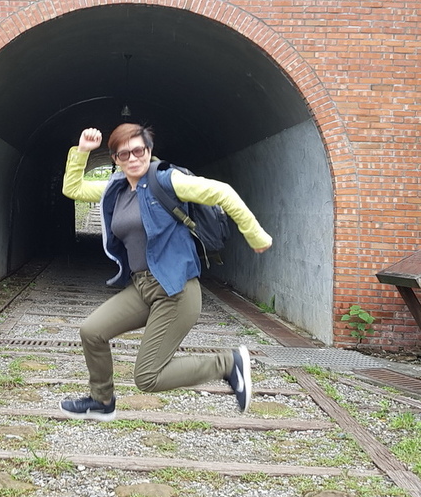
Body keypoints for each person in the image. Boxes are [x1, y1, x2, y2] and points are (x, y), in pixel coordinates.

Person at [59, 124, 273, 420]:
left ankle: (228, 364)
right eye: (124, 154)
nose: (133, 158)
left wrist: (256, 236)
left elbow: (222, 192)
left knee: (147, 377)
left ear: (149, 150)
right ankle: (101, 399)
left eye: (139, 150)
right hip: (142, 286)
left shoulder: (167, 180)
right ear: (115, 159)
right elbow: (73, 189)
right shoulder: (117, 187)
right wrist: (82, 151)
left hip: (176, 291)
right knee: (92, 332)